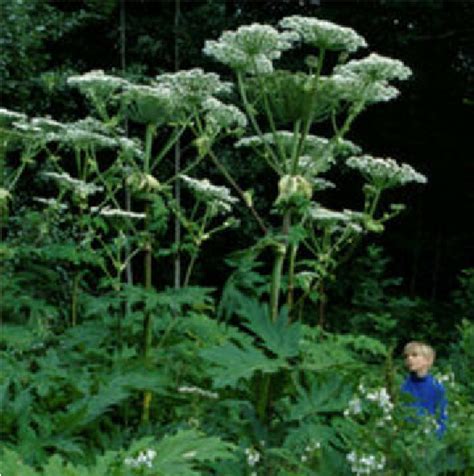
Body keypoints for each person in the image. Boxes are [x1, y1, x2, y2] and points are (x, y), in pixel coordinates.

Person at [401, 341, 447, 437]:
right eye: (406, 356)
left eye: (414, 355)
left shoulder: (436, 387)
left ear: (428, 360)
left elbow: (442, 418)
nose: (409, 359)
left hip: (429, 439)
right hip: (406, 437)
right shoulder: (403, 386)